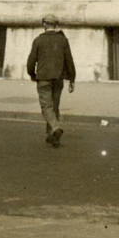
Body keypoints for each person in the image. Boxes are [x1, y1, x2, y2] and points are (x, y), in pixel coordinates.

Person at [26, 14, 76, 147]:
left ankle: (55, 129)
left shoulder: (38, 40)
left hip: (43, 79)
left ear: (44, 24)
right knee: (54, 107)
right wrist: (72, 79)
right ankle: (52, 136)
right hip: (58, 79)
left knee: (46, 107)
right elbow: (69, 61)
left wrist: (32, 74)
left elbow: (31, 61)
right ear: (55, 25)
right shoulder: (63, 40)